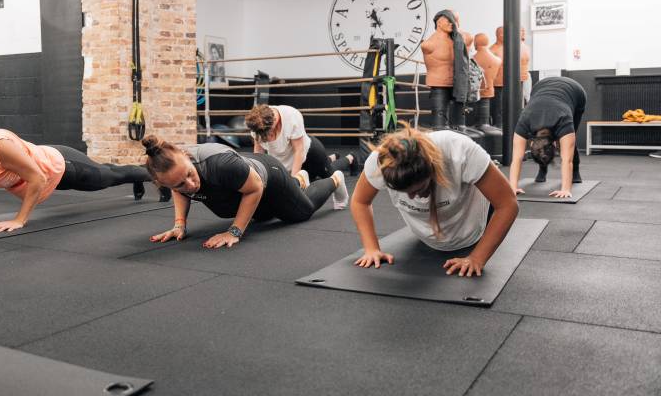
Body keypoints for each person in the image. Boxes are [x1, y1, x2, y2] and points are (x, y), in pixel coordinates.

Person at [0, 129, 168, 232]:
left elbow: (37, 178)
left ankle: (152, 174)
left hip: (64, 167)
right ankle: (138, 176)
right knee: (109, 172)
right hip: (46, 168)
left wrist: (19, 219)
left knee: (109, 177)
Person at [350, 123, 518, 276]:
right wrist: (371, 248)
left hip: (471, 233)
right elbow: (360, 202)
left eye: (417, 190)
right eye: (404, 192)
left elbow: (507, 205)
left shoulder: (460, 151)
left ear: (431, 170)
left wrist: (477, 258)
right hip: (426, 237)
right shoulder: (380, 162)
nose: (411, 198)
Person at [142, 135, 348, 249]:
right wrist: (180, 225)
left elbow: (255, 187)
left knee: (300, 213)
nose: (190, 185)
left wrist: (234, 231)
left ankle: (334, 180)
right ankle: (297, 182)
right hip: (241, 183)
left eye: (189, 174)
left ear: (186, 155)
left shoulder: (220, 164)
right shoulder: (174, 171)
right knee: (263, 216)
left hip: (268, 176)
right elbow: (180, 190)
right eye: (179, 184)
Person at [508, 76, 587, 198]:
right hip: (541, 87)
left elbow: (567, 160)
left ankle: (575, 172)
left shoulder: (564, 121)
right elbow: (516, 159)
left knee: (570, 140)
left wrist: (566, 189)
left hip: (575, 91)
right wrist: (512, 187)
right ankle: (542, 170)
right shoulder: (524, 121)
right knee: (559, 144)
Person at [244, 104, 355, 186]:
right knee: (310, 180)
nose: (267, 138)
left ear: (273, 122)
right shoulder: (256, 124)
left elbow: (299, 151)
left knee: (328, 176)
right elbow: (259, 154)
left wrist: (294, 180)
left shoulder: (291, 116)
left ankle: (351, 158)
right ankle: (332, 157)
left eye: (268, 134)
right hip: (288, 160)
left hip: (310, 153)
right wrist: (258, 178)